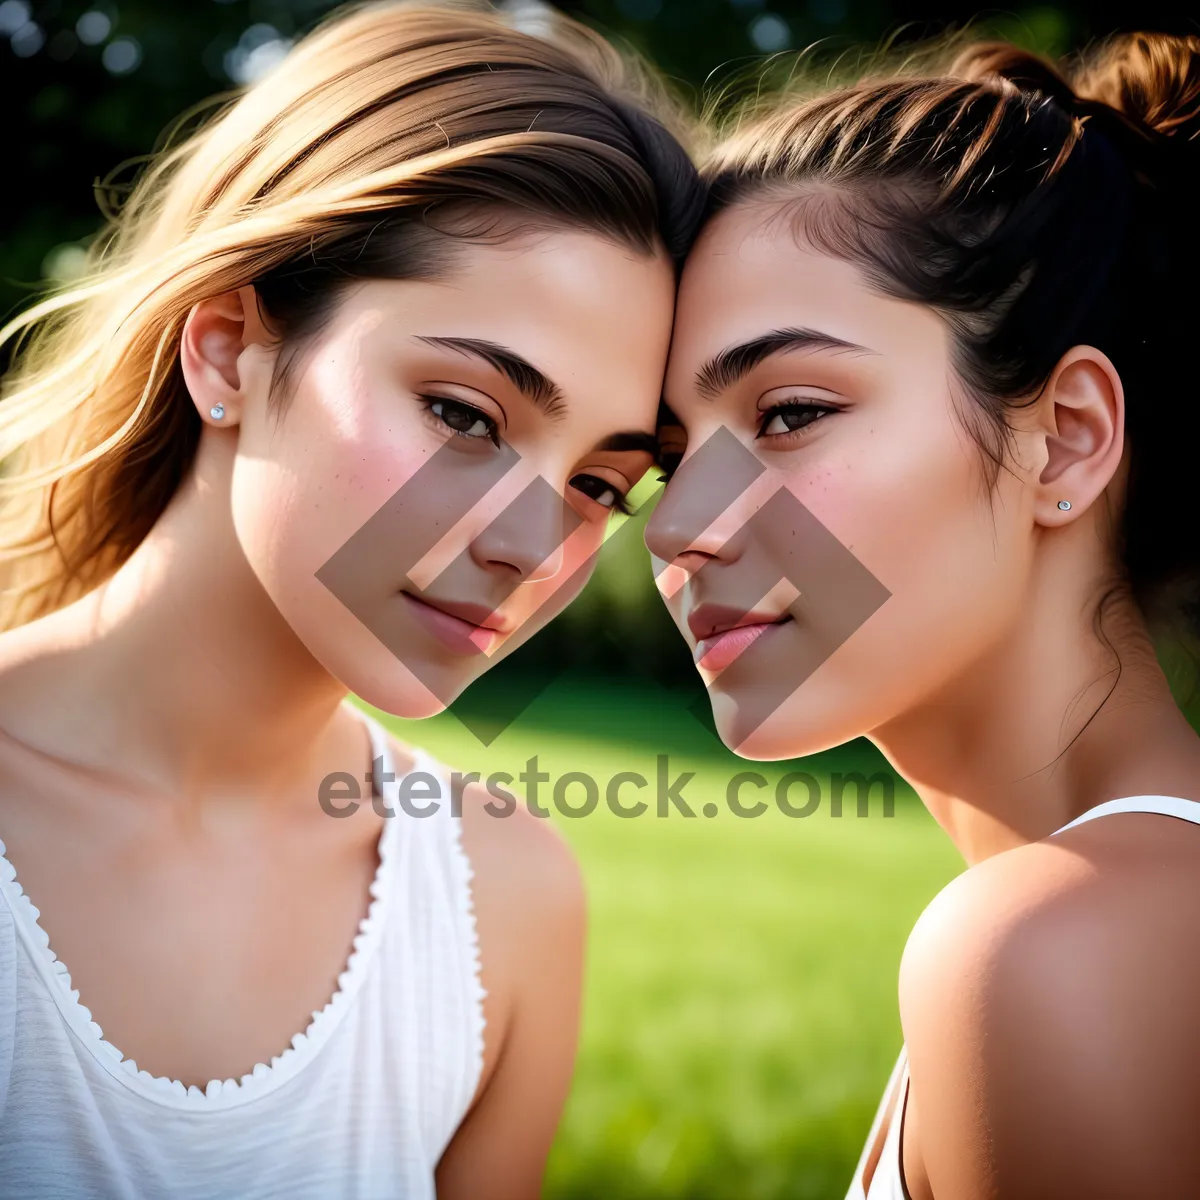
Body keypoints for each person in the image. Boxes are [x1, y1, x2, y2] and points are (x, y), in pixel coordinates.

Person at [0, 2, 704, 1196]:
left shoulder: (505, 904)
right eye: (466, 416)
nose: (533, 546)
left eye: (600, 484)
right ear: (228, 348)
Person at [646, 29, 1200, 1200]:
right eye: (666, 456)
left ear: (1069, 438)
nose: (677, 526)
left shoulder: (1052, 954)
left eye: (790, 413)